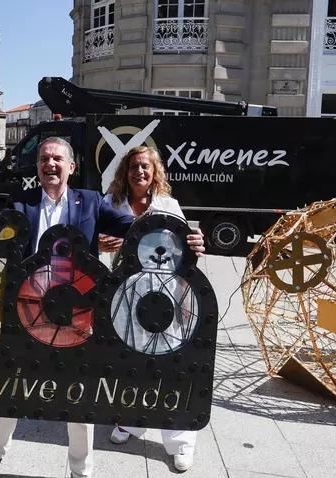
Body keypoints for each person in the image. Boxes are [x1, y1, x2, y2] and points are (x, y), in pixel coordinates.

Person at [0, 137, 205, 478]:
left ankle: (81, 471)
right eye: (44, 158)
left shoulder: (90, 202)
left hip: (77, 316)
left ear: (71, 167)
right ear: (37, 167)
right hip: (28, 312)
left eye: (57, 158)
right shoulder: (20, 202)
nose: (50, 164)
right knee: (9, 388)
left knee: (80, 399)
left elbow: (135, 228)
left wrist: (182, 238)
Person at [99, 145, 201, 472]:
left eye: (145, 166)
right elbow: (92, 240)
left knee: (170, 364)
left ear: (154, 172)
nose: (140, 172)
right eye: (134, 167)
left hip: (163, 294)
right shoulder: (111, 203)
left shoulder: (168, 205)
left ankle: (180, 441)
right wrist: (100, 243)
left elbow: (185, 248)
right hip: (124, 294)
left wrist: (195, 246)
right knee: (131, 361)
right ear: (124, 172)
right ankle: (132, 421)